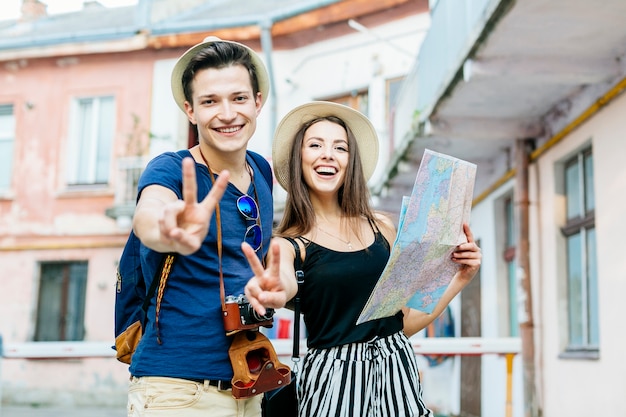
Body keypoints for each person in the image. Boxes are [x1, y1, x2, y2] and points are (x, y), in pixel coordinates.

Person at [243, 101, 482, 416]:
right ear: (299, 159)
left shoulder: (382, 227)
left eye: (340, 147)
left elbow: (403, 322)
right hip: (334, 385)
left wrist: (460, 277)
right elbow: (282, 280)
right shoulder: (289, 244)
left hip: (398, 374)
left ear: (349, 161)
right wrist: (276, 288)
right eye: (315, 144)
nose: (328, 153)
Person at [127, 36, 296, 417]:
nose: (227, 113)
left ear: (257, 101)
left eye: (238, 98)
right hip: (176, 390)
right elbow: (149, 214)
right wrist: (168, 229)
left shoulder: (262, 171)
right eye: (209, 101)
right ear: (190, 110)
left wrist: (279, 287)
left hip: (247, 383)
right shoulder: (171, 169)